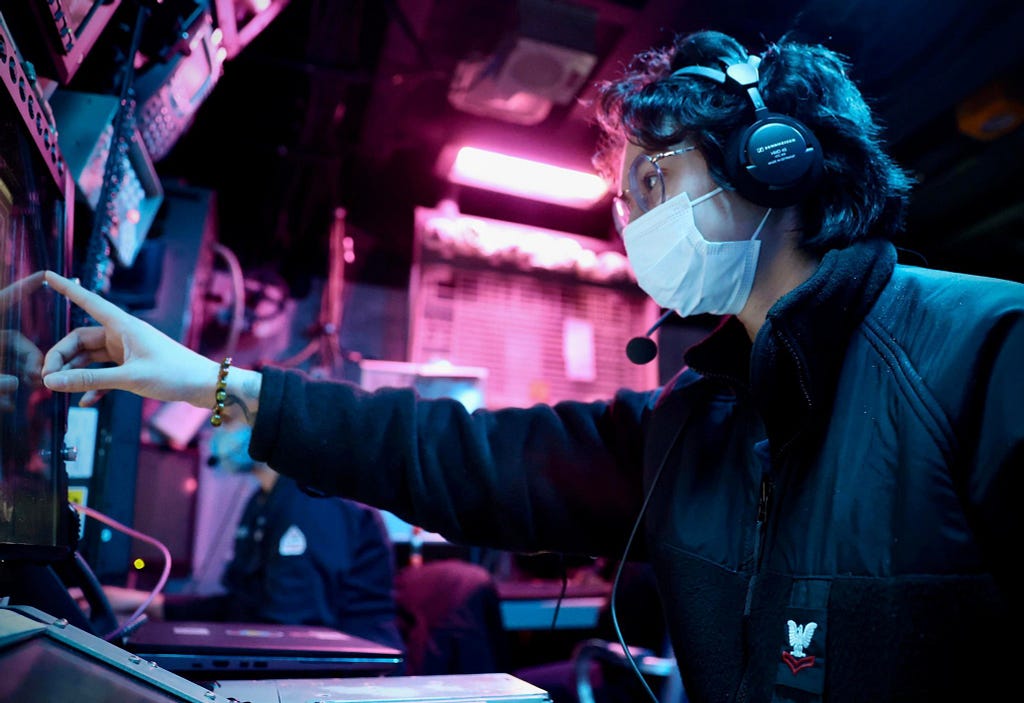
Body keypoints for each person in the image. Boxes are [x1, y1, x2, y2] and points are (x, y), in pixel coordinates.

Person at [39, 28, 1023, 702]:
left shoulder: (986, 354)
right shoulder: (698, 418)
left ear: (774, 161)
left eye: (652, 175)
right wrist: (204, 382)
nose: (631, 214)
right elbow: (460, 456)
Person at [103, 420, 405, 655]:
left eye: (229, 418)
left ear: (269, 424)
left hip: (355, 675)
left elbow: (292, 627)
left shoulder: (310, 500)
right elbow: (245, 606)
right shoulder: (263, 499)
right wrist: (144, 603)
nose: (217, 431)